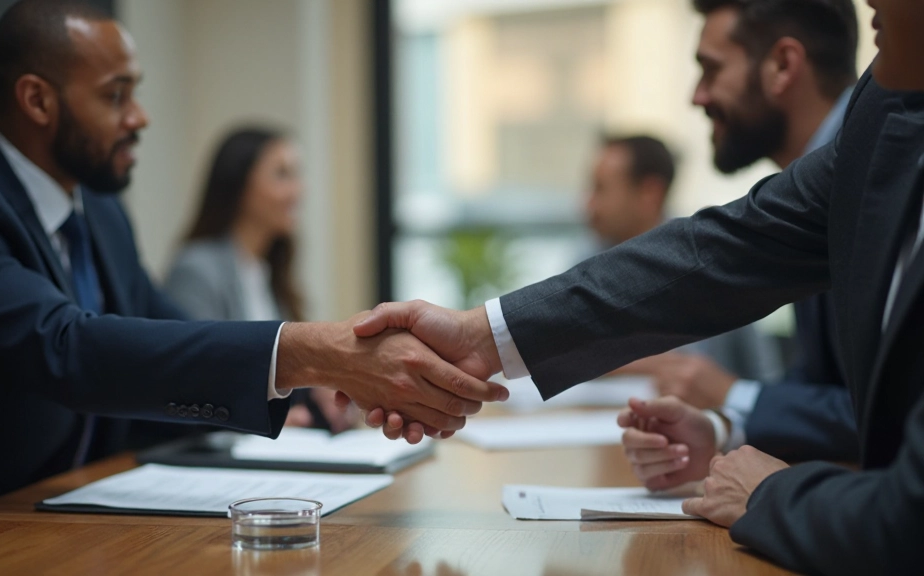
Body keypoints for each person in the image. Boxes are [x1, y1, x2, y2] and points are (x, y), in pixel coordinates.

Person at [348, 0, 924, 571]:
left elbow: (909, 516)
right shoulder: (883, 107)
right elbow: (732, 247)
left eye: (710, 68)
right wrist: (482, 335)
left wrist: (769, 493)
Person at [0, 0, 507, 531]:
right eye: (116, 96)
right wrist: (317, 350)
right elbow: (67, 349)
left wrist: (314, 381)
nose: (139, 117)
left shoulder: (100, 214)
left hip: (77, 512)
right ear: (36, 99)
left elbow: (168, 335)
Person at [609, 0, 861, 465]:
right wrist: (723, 426)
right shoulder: (820, 180)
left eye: (711, 70)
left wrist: (734, 394)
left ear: (783, 66)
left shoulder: (874, 172)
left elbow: (889, 417)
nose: (697, 97)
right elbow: (820, 382)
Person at [164, 126, 351, 432]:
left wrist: (319, 389)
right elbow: (193, 386)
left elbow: (271, 372)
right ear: (238, 185)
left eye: (297, 174)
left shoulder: (267, 272)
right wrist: (258, 424)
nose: (298, 190)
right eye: (282, 174)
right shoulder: (196, 269)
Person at [585, 135, 784, 388]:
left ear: (650, 193)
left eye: (600, 188)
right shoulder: (589, 255)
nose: (588, 203)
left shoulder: (704, 261)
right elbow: (561, 349)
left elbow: (693, 369)